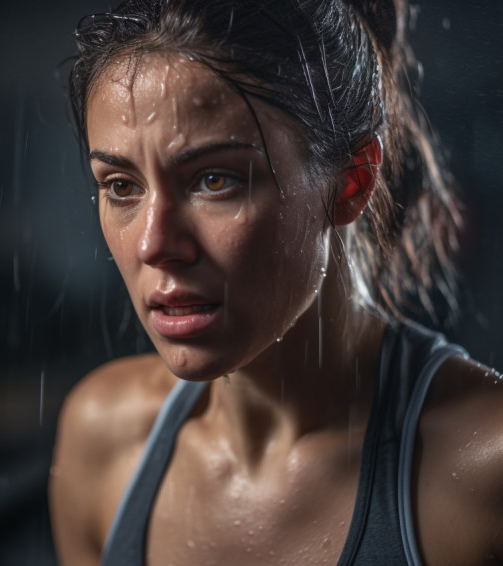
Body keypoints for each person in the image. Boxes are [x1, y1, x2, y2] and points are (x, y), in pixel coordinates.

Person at [49, 0, 503, 565]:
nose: (153, 244)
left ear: (351, 183)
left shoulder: (484, 470)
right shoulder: (105, 441)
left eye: (215, 179)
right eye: (121, 186)